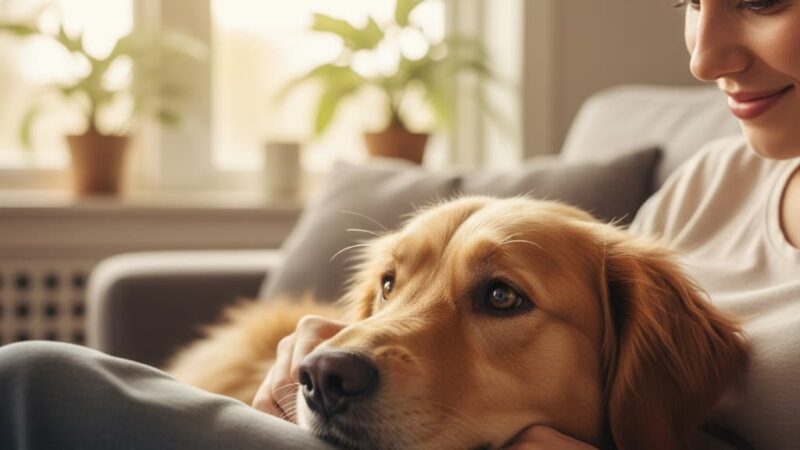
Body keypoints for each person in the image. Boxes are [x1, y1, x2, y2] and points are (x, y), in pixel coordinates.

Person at [1, 0, 798, 448]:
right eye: (691, 0)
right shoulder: (715, 181)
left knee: (34, 387)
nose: (703, 56)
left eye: (499, 300)